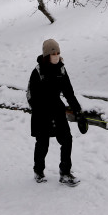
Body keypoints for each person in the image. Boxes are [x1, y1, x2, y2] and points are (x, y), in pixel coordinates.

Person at [27, 39, 83, 187]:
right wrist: (41, 109)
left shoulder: (61, 69)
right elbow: (30, 96)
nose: (56, 56)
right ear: (46, 55)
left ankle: (65, 172)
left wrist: (78, 111)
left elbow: (69, 92)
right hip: (41, 113)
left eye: (58, 53)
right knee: (43, 143)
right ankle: (38, 171)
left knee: (67, 140)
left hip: (57, 110)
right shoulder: (37, 71)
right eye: (53, 53)